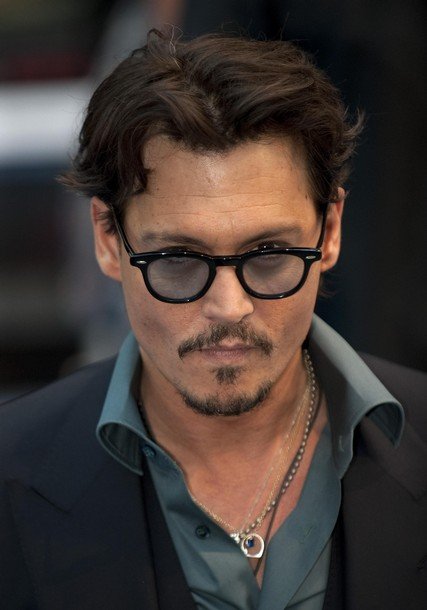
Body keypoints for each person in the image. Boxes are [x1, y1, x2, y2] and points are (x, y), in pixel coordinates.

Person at [1, 31, 426, 610]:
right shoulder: (11, 471)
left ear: (330, 231)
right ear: (106, 239)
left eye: (270, 254)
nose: (229, 306)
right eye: (178, 259)